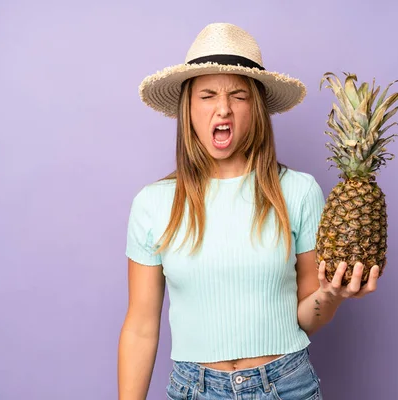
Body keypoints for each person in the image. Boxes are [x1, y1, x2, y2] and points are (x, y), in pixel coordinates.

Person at [117, 22, 379, 400]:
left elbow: (307, 318)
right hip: (195, 390)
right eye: (207, 95)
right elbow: (141, 326)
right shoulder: (153, 204)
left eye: (238, 96)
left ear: (255, 108)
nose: (222, 108)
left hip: (287, 385)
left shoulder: (299, 192)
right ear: (187, 107)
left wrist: (331, 294)